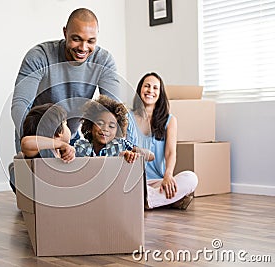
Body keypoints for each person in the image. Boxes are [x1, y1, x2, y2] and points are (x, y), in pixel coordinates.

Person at [11, 8, 120, 153]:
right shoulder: (40, 56)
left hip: (71, 135)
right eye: (76, 39)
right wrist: (36, 142)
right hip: (37, 136)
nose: (83, 47)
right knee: (29, 175)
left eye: (90, 41)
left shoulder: (104, 61)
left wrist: (121, 147)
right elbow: (20, 104)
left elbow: (113, 109)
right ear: (65, 33)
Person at [127, 72, 198, 210]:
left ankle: (148, 201)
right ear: (140, 89)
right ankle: (170, 200)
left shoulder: (169, 120)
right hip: (134, 181)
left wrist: (168, 175)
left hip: (158, 181)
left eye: (155, 88)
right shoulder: (127, 116)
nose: (150, 91)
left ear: (160, 94)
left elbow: (171, 153)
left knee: (191, 178)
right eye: (146, 86)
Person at [9, 103, 75, 192]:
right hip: (39, 194)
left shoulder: (61, 152)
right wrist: (61, 144)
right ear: (59, 132)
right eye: (65, 124)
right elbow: (26, 142)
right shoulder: (41, 152)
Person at [74, 95, 153, 163]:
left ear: (117, 131)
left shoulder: (120, 144)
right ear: (90, 126)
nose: (105, 129)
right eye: (100, 123)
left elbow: (151, 156)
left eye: (111, 126)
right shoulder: (81, 145)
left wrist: (134, 155)